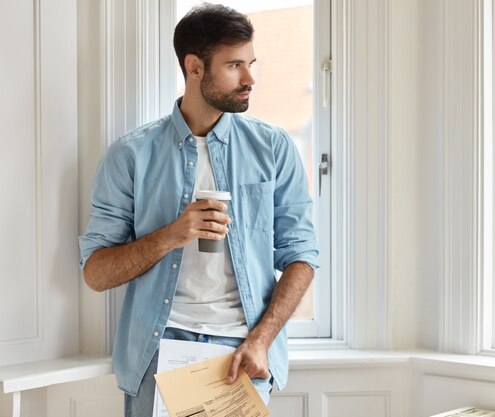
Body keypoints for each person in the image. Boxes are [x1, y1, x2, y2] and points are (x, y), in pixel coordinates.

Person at [78, 3, 319, 416]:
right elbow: (96, 273)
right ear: (194, 67)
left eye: (251, 63)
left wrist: (261, 339)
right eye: (234, 65)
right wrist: (173, 234)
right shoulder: (131, 155)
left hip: (243, 353)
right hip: (158, 351)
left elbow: (302, 256)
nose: (249, 79)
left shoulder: (274, 149)